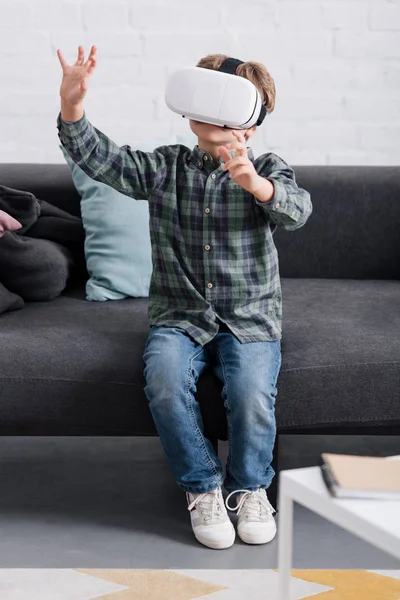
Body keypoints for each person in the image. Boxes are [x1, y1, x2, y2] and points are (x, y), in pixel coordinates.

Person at [56, 45, 312, 551]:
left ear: (250, 123)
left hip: (250, 319)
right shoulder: (165, 168)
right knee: (165, 382)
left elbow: (298, 212)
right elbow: (103, 161)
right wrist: (72, 107)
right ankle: (203, 488)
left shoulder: (269, 168)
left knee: (251, 396)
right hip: (180, 318)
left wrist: (256, 186)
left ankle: (250, 488)